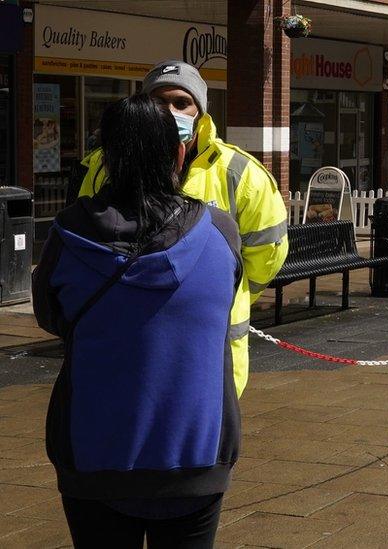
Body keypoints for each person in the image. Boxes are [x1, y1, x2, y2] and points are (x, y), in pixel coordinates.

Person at [34, 94, 242, 548]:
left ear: (105, 157)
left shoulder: (68, 234)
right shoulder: (222, 232)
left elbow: (52, 316)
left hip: (95, 452)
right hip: (197, 453)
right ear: (179, 152)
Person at [74, 60, 288, 397]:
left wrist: (227, 294)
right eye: (159, 102)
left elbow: (266, 253)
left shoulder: (240, 172)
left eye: (181, 103)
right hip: (129, 342)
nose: (170, 112)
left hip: (211, 351)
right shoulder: (103, 168)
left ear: (200, 112)